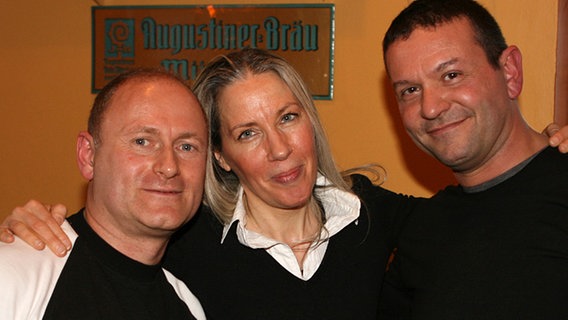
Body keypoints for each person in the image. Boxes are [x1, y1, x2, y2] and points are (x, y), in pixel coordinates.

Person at [1, 44, 568, 318]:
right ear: (221, 157)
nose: (278, 149)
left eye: (288, 118)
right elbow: (107, 246)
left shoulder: (373, 218)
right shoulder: (186, 242)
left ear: (309, 121)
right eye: (246, 133)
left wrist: (548, 148)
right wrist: (34, 229)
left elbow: (486, 207)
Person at [379, 0, 568, 318]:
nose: (430, 107)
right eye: (410, 90)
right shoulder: (422, 231)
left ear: (509, 72)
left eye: (451, 75)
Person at [0, 69, 208, 319]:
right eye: (142, 141)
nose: (169, 166)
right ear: (88, 156)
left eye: (187, 147)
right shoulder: (14, 274)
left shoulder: (188, 304)